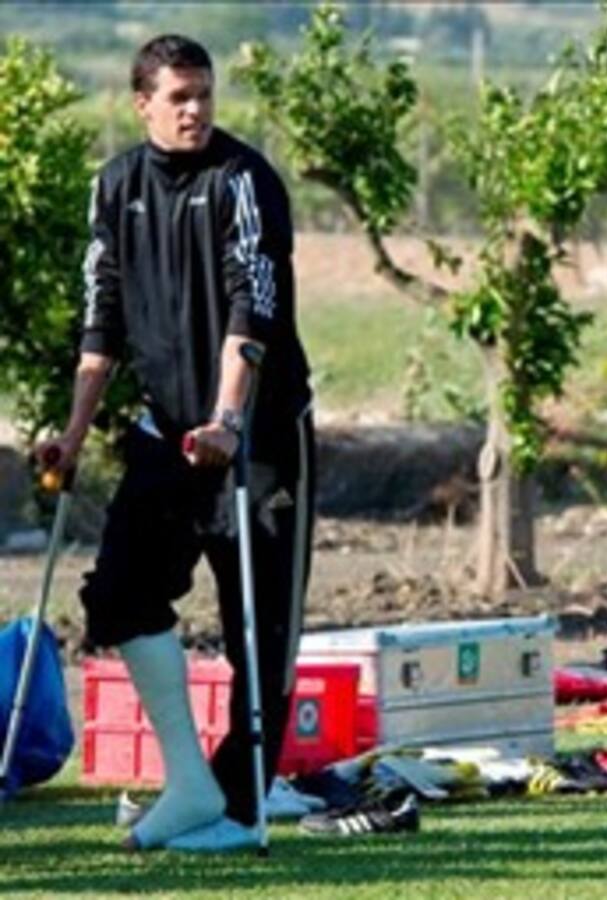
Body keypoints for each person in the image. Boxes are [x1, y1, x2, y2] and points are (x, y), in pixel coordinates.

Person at [36, 34, 314, 852]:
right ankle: (190, 785)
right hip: (165, 432)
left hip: (256, 437)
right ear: (143, 104)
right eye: (179, 97)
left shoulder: (244, 181)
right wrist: (74, 437)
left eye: (203, 94)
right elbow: (102, 320)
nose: (195, 109)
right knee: (118, 594)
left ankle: (237, 810)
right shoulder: (115, 185)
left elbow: (250, 310)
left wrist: (228, 419)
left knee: (256, 632)